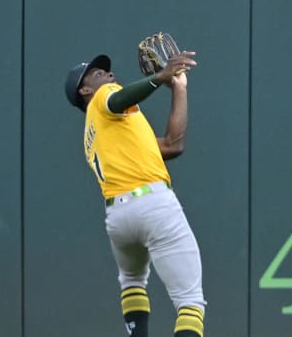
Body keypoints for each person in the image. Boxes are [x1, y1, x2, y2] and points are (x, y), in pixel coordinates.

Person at [64, 52, 206, 337]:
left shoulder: (104, 130)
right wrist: (159, 77)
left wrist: (179, 88)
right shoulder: (105, 98)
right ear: (85, 90)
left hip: (118, 219)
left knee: (131, 281)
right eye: (96, 72)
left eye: (106, 70)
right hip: (153, 205)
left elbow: (172, 145)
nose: (107, 74)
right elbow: (117, 99)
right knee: (190, 303)